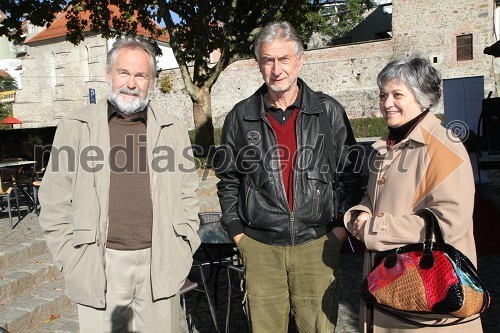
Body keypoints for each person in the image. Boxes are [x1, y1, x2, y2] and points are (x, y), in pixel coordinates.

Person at [38, 38, 201, 333]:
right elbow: (53, 200)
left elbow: (188, 193)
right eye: (123, 73)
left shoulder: (172, 129)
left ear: (151, 82)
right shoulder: (76, 127)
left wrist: (183, 248)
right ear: (108, 75)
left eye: (141, 75)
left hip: (160, 260)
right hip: (99, 261)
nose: (131, 83)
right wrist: (70, 259)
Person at [215, 21, 362, 333]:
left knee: (319, 329)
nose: (277, 69)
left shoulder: (328, 111)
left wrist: (339, 232)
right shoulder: (240, 117)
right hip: (260, 246)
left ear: (300, 60)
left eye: (284, 59)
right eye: (268, 60)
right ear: (259, 64)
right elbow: (228, 178)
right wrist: (238, 234)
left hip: (317, 245)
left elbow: (348, 175)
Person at [345, 55, 482, 332]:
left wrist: (374, 228)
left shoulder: (444, 146)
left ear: (423, 99)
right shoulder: (387, 145)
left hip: (425, 306)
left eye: (397, 95)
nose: (386, 103)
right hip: (387, 290)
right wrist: (361, 210)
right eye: (383, 95)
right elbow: (375, 199)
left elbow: (449, 222)